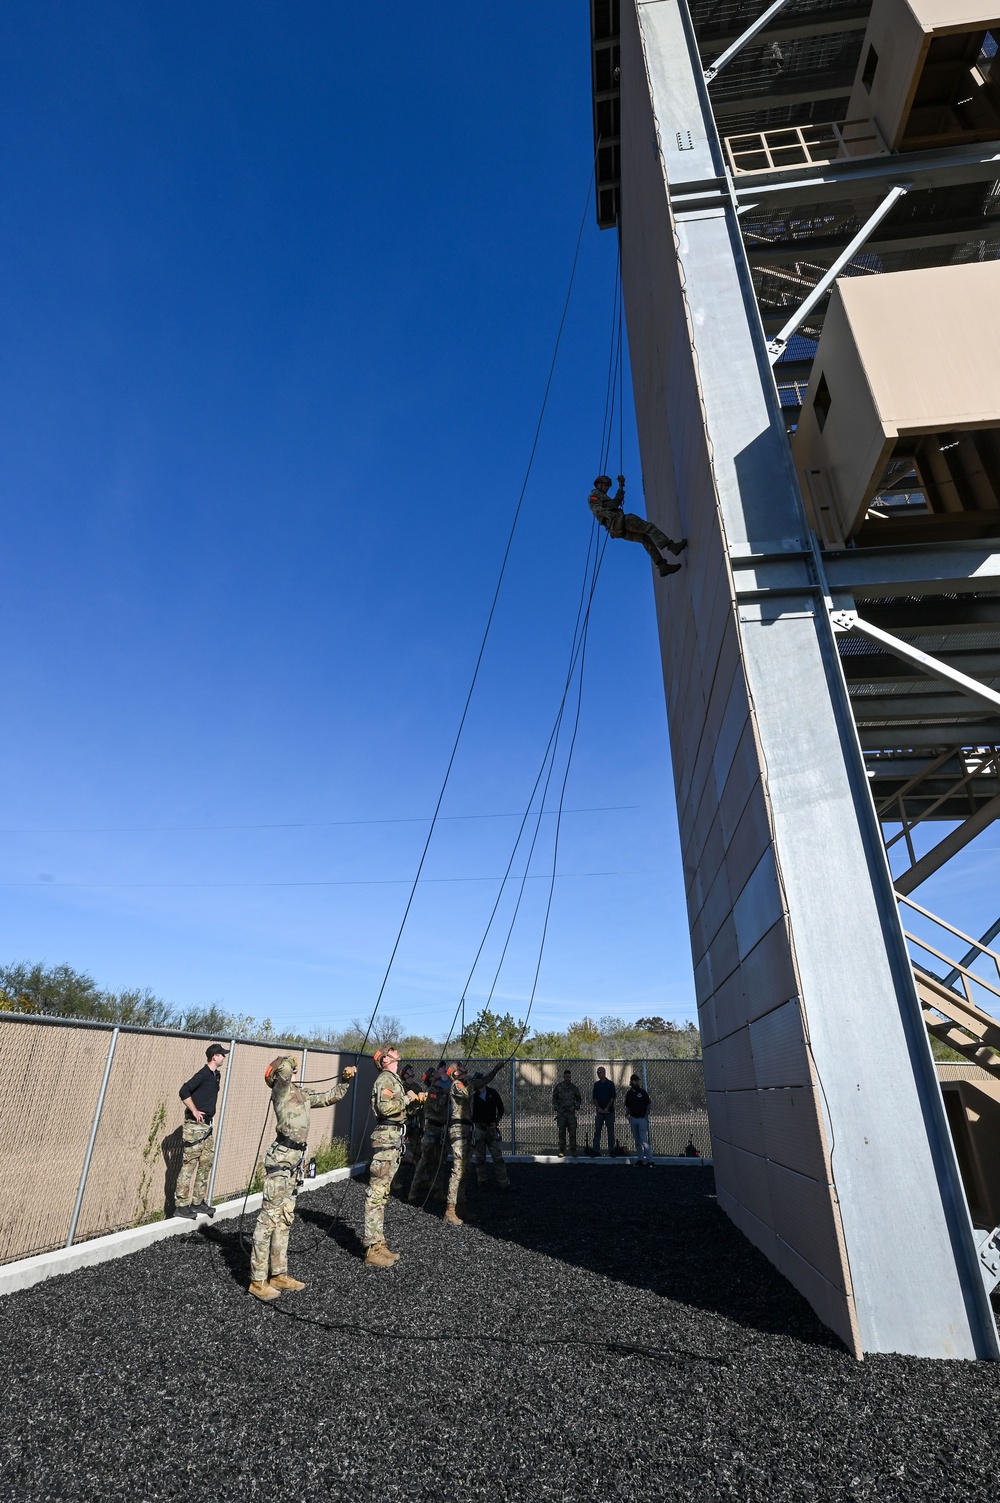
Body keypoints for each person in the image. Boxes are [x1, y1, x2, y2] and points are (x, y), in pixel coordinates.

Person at [248, 1055, 356, 1302]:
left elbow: (330, 1097)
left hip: (295, 1160)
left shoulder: (302, 1092)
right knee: (268, 1219)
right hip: (281, 1159)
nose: (295, 1069)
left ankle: (279, 1273)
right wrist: (286, 1059)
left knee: (285, 1219)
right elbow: (284, 1070)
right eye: (290, 1068)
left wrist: (345, 1081)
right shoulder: (281, 1090)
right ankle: (257, 1280)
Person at [364, 1047, 427, 1267]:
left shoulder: (394, 1080)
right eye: (393, 1053)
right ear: (384, 1060)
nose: (398, 1056)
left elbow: (400, 1111)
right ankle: (371, 1249)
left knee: (383, 1194)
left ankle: (379, 1243)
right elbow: (385, 1108)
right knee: (376, 1194)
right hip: (385, 1139)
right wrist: (408, 1099)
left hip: (394, 1139)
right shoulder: (385, 1080)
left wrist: (415, 1104)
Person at [588, 474, 687, 579]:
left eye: (608, 485)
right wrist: (611, 515)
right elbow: (597, 509)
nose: (607, 487)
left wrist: (621, 486)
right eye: (606, 485)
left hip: (616, 529)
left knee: (645, 538)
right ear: (599, 484)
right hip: (618, 521)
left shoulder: (603, 497)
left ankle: (662, 566)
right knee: (648, 527)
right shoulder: (594, 495)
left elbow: (615, 502)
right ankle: (672, 546)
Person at [175, 1044, 229, 1218]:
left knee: (206, 1164)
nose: (224, 1057)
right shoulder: (203, 1074)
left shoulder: (216, 1076)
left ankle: (198, 1202)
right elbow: (184, 1091)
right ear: (214, 1056)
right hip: (195, 1127)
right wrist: (194, 1110)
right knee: (189, 1165)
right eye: (222, 1054)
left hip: (207, 1127)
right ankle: (181, 1205)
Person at [408, 1063, 451, 1207]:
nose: (439, 1074)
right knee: (425, 1160)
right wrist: (445, 1094)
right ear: (431, 1078)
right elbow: (438, 1107)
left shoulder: (442, 1089)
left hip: (443, 1128)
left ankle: (438, 1190)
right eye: (435, 1073)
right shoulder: (432, 1091)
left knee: (441, 1161)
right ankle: (413, 1191)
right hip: (432, 1129)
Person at [471, 1071, 511, 1190]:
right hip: (479, 1129)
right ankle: (482, 1180)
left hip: (491, 1129)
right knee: (480, 1157)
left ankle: (504, 1183)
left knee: (498, 1157)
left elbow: (501, 1108)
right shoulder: (473, 1097)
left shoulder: (492, 1093)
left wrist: (496, 1122)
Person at [624, 1073, 653, 1167]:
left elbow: (648, 1104)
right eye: (635, 1081)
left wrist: (646, 1115)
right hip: (633, 1119)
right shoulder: (629, 1094)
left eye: (638, 1081)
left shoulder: (643, 1092)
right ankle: (640, 1159)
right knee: (637, 1141)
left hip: (641, 1119)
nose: (637, 1082)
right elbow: (627, 1106)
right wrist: (627, 1115)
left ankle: (650, 1160)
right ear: (631, 1082)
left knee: (644, 1140)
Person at [551, 1069, 582, 1157]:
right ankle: (562, 1150)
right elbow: (554, 1099)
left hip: (571, 1114)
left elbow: (579, 1099)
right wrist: (557, 1108)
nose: (568, 1079)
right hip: (562, 1114)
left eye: (569, 1077)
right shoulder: (559, 1087)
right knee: (562, 1133)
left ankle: (573, 1150)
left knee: (572, 1133)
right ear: (564, 1077)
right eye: (567, 1077)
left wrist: (576, 1107)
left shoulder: (574, 1088)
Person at [592, 1066, 617, 1156]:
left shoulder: (610, 1084)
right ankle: (596, 1150)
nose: (599, 1074)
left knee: (610, 1131)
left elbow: (612, 1097)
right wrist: (598, 1108)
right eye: (597, 1073)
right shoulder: (596, 1085)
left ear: (604, 1072)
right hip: (599, 1112)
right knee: (597, 1130)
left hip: (609, 1112)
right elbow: (594, 1097)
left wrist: (607, 1108)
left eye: (600, 1072)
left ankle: (611, 1150)